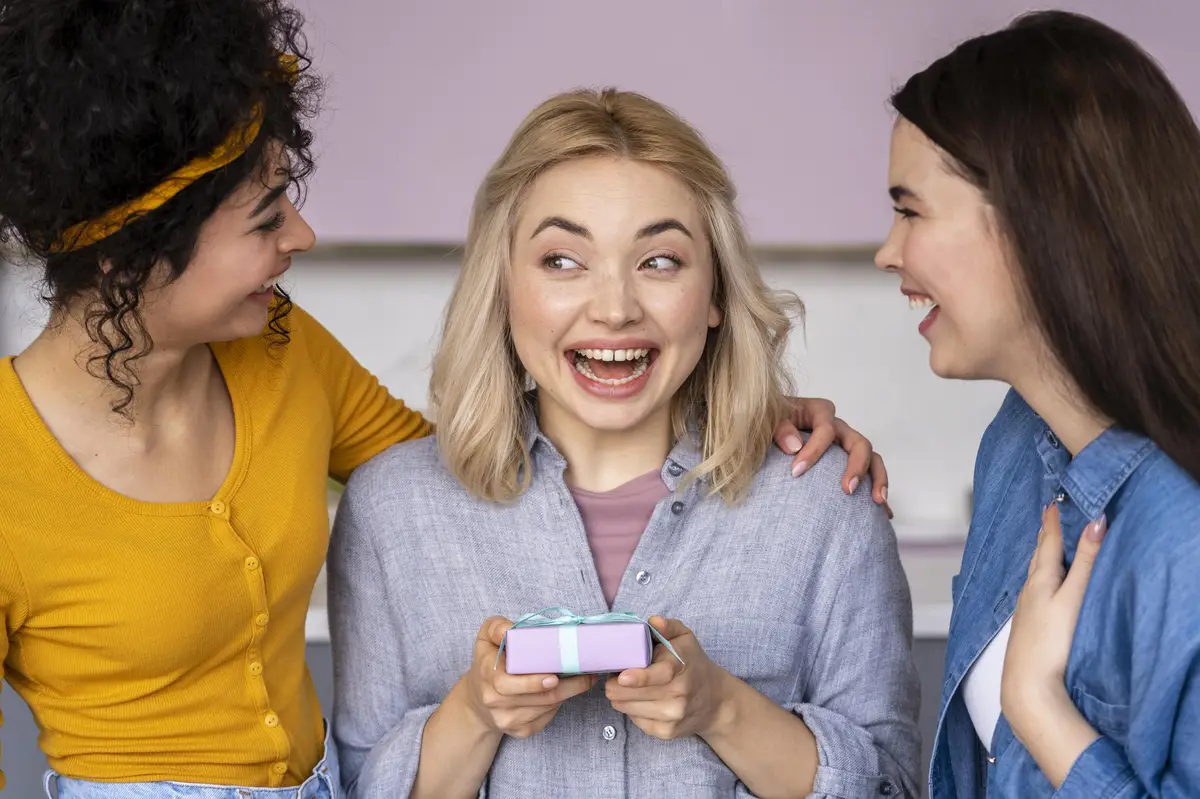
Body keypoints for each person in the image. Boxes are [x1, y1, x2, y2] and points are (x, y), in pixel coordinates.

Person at [0, 1, 889, 794]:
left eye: (660, 259)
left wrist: (746, 410)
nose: (303, 234)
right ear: (134, 254)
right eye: (268, 216)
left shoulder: (284, 354)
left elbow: (470, 467)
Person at [330, 87, 922, 799]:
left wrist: (721, 708)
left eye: (660, 261)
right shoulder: (392, 510)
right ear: (503, 287)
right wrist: (476, 712)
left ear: (715, 296)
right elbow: (360, 784)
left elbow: (893, 787)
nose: (614, 309)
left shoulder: (826, 503)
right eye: (561, 260)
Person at [875, 10, 1200, 797]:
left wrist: (1042, 713)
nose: (888, 250)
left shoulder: (1185, 535)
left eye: (910, 210)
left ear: (1033, 219)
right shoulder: (1020, 441)